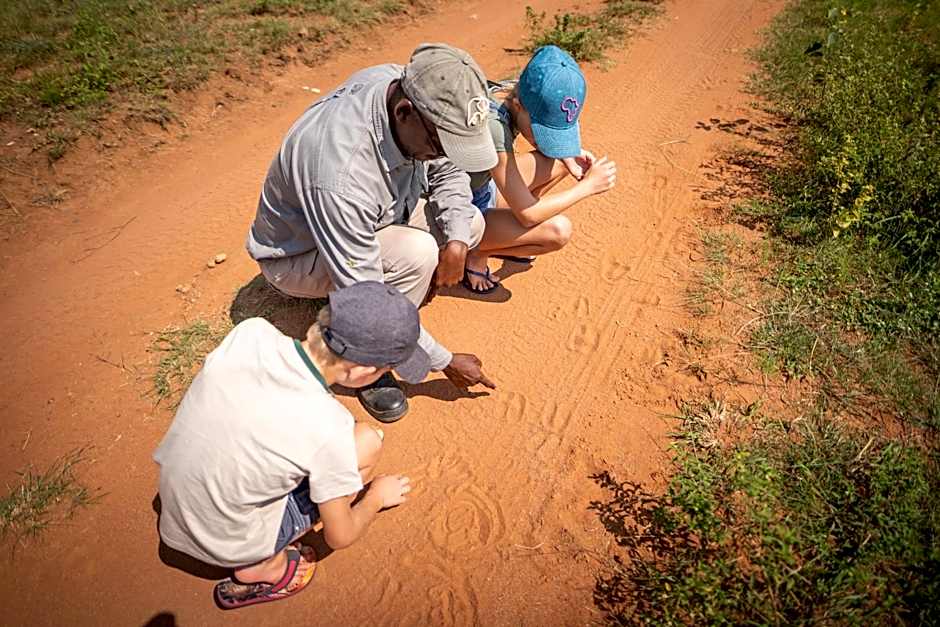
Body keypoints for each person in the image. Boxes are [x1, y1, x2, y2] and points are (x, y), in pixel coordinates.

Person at [246, 43, 497, 423]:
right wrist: (444, 361)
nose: (444, 152)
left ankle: (404, 291)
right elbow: (367, 296)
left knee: (467, 222)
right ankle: (367, 359)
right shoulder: (340, 175)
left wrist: (458, 243)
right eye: (441, 143)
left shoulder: (410, 87)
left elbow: (449, 170)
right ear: (404, 113)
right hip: (299, 257)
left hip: (373, 216)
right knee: (417, 253)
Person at [154, 282, 426, 609]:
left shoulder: (250, 334)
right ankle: (265, 567)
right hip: (230, 543)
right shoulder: (328, 426)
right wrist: (376, 498)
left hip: (178, 510)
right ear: (364, 371)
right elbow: (339, 537)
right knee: (366, 443)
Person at [461, 45, 618, 293]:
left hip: (482, 189)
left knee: (562, 160)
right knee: (557, 231)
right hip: (459, 214)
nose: (544, 140)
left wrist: (567, 152)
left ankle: (504, 236)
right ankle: (477, 252)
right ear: (519, 105)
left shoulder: (509, 92)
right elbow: (529, 214)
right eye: (542, 130)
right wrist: (587, 188)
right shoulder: (493, 128)